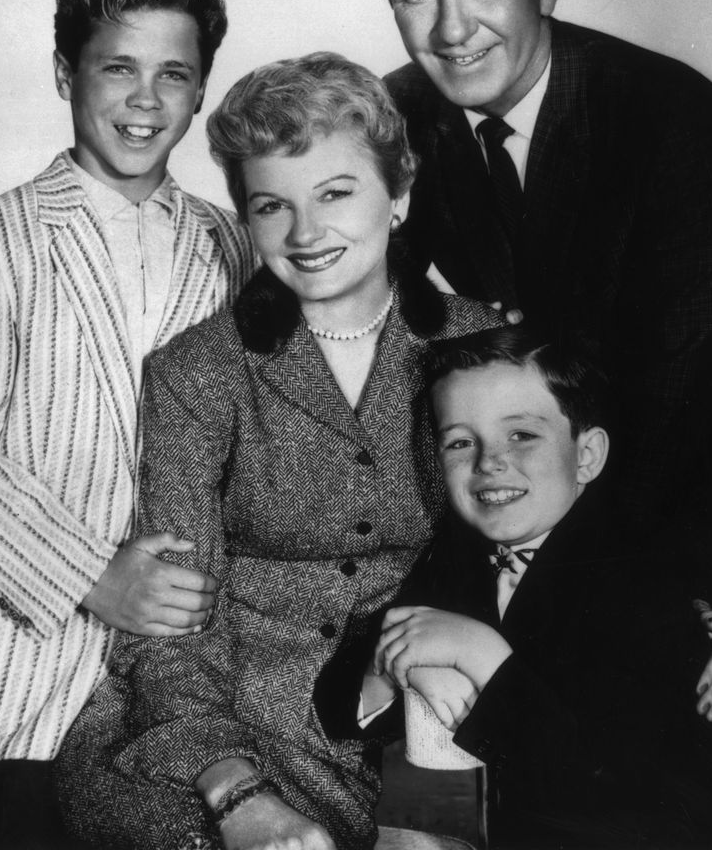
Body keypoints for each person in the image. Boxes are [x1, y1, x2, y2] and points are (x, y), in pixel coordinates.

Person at [53, 52, 502, 850]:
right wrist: (241, 796)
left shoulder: (486, 345)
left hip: (421, 706)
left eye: (335, 193)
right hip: (229, 716)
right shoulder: (197, 373)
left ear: (398, 194)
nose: (305, 233)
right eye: (271, 206)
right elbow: (170, 621)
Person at [367, 0, 712, 642]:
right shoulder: (396, 118)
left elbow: (684, 401)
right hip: (549, 490)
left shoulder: (673, 120)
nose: (451, 31)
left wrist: (554, 598)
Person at [0, 0, 256, 848]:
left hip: (173, 691)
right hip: (13, 687)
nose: (146, 101)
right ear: (67, 71)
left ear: (200, 92)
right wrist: (93, 577)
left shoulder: (231, 244)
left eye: (174, 75)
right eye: (118, 67)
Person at [318, 326, 712, 847]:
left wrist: (485, 660)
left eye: (521, 434)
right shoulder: (454, 559)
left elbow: (618, 798)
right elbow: (342, 708)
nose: (488, 462)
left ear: (587, 455)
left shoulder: (644, 590)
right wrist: (389, 668)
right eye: (460, 442)